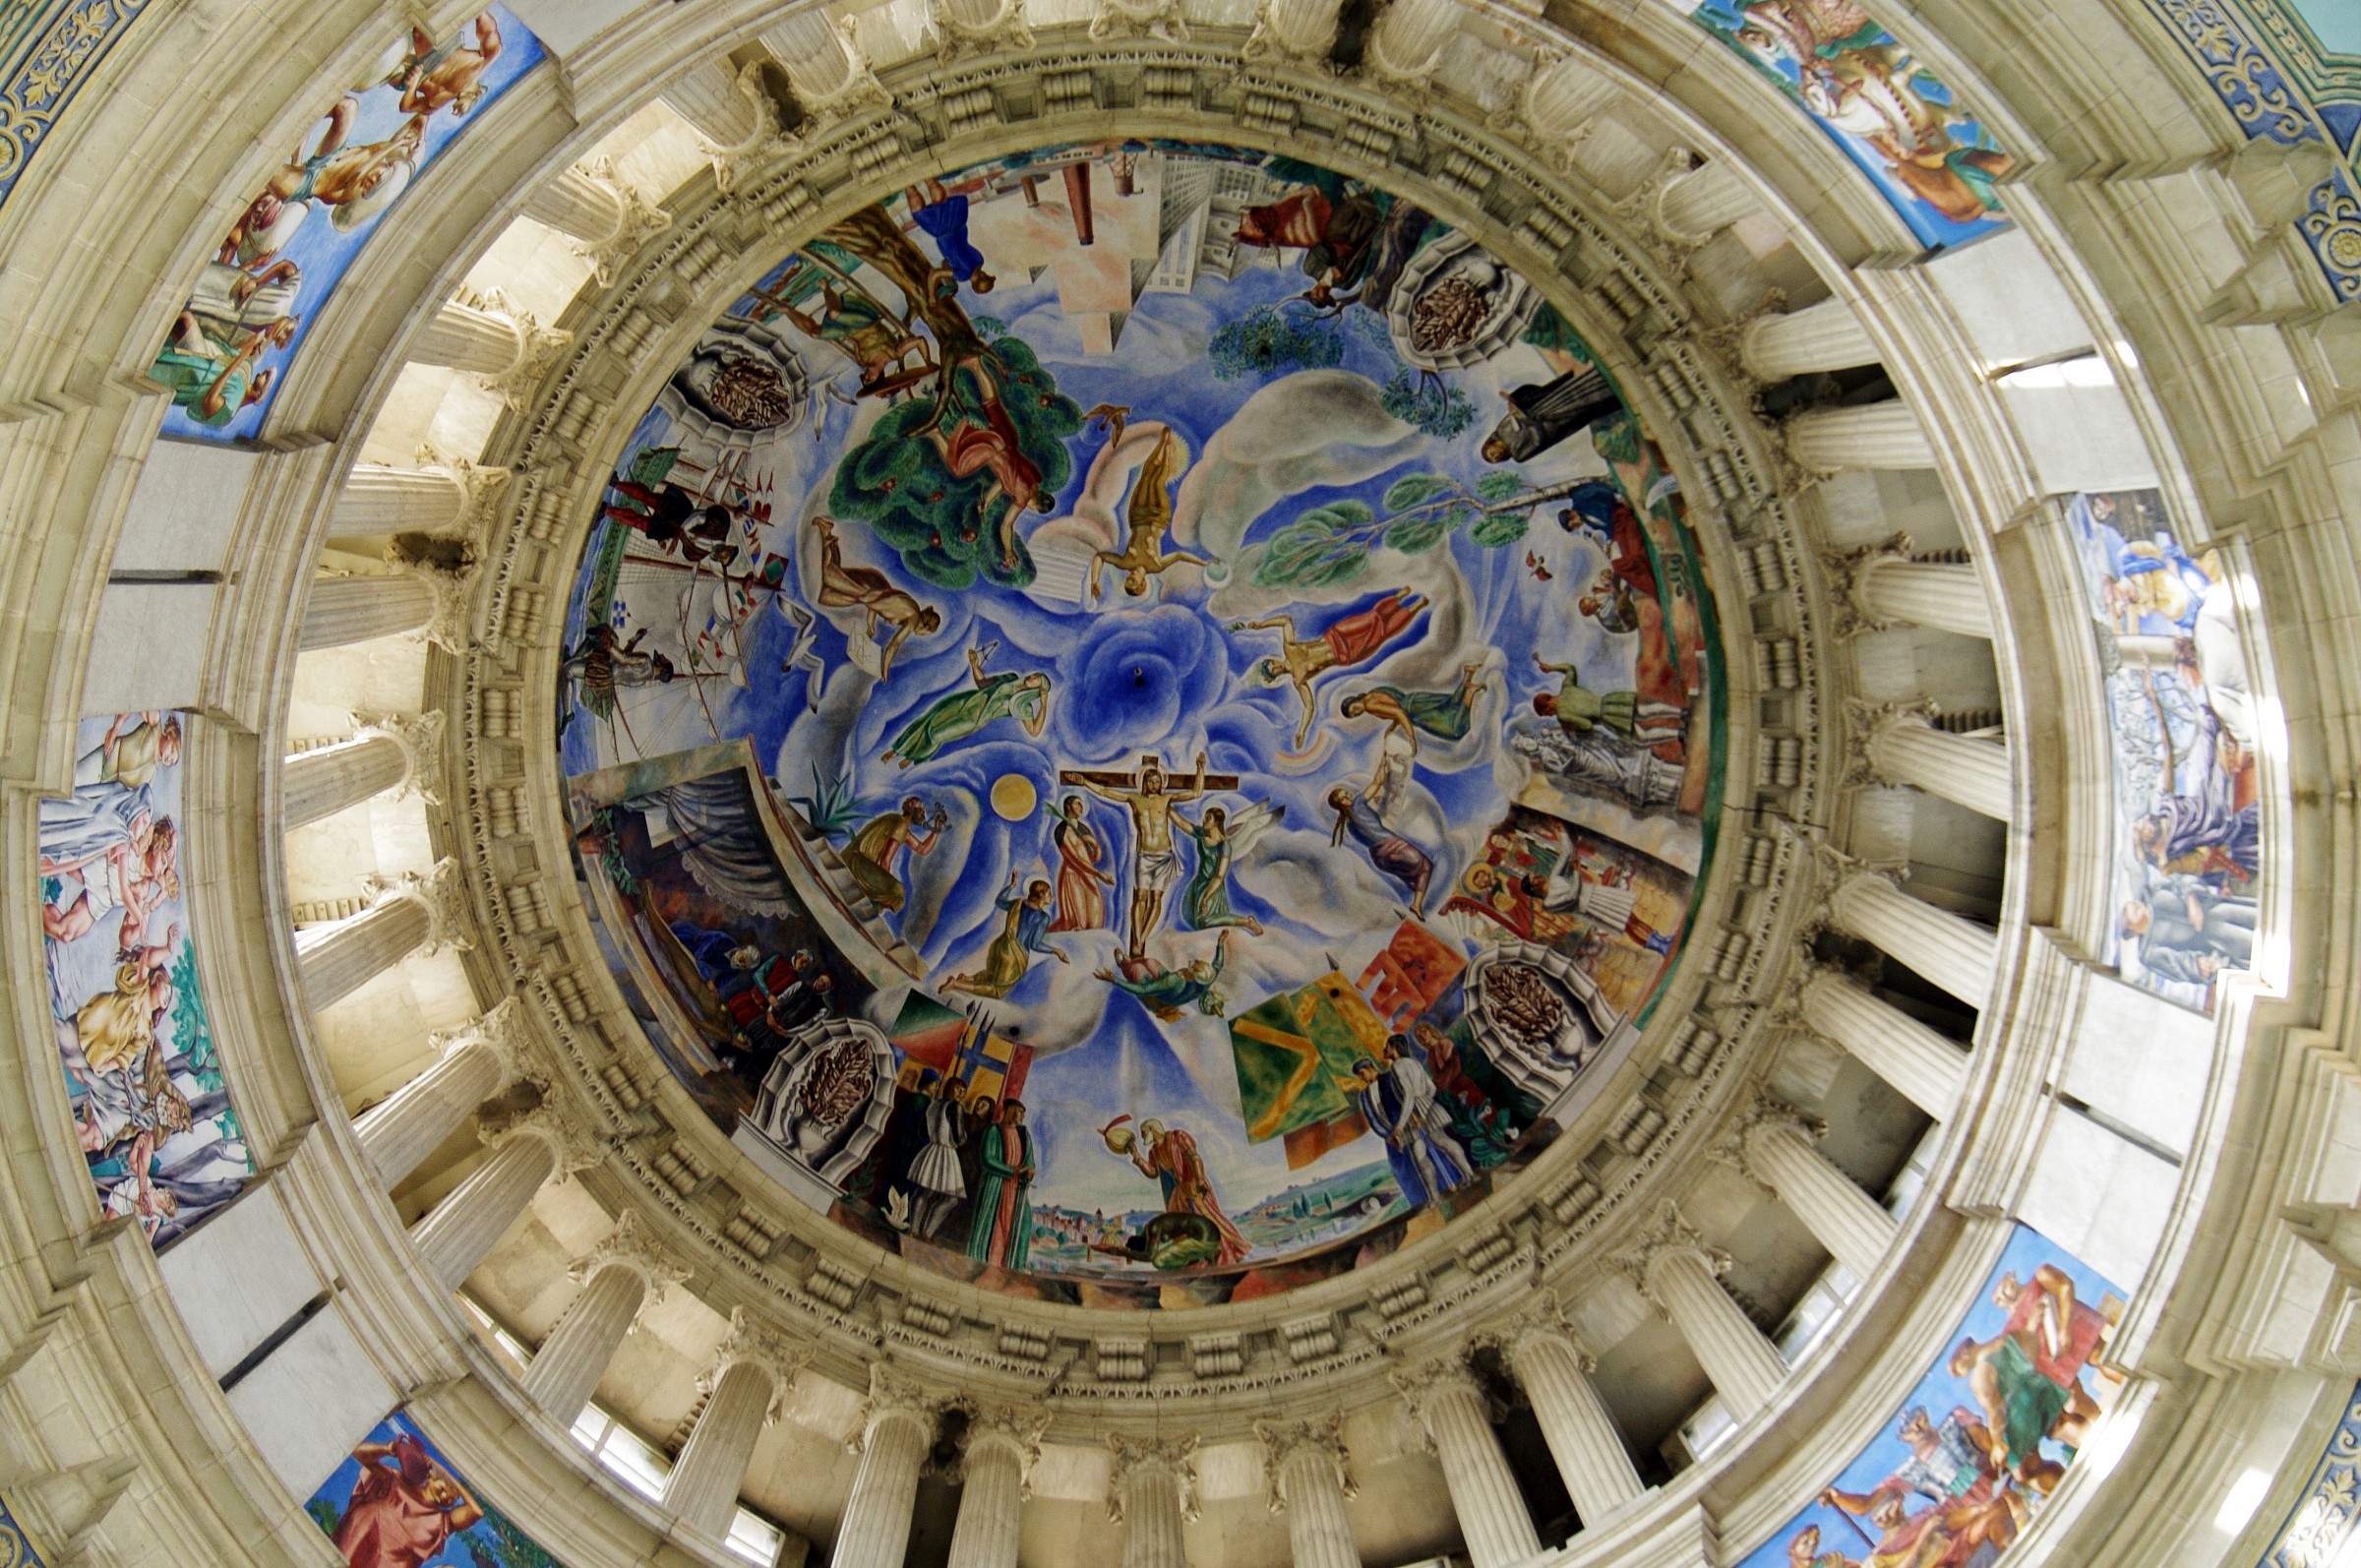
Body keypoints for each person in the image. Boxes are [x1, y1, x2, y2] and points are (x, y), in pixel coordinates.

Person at [1234, 591, 1430, 748]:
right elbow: (1309, 707)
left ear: (1272, 659)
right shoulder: (1299, 679)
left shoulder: (1289, 648)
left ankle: (1398, 597)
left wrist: (1261, 625)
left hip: (1337, 635)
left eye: (1271, 664)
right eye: (1273, 671)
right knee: (1382, 634)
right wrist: (1302, 730)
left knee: (1372, 618)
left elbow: (1286, 620)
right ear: (1275, 678)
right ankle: (1416, 607)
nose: (1276, 667)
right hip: (1347, 655)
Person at [1068, 754, 1208, 960]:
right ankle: (1138, 940)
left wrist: (1201, 768)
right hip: (1144, 854)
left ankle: (1141, 937)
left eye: (1157, 781)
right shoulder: (1134, 799)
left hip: (1163, 855)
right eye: (1150, 781)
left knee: (1156, 897)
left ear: (1162, 782)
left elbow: (1196, 792)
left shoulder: (1167, 799)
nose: (1154, 784)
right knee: (1140, 896)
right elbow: (1106, 791)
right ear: (1144, 782)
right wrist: (1085, 782)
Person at [329, 1429, 486, 1568]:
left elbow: (476, 1512)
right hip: (364, 1535)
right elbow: (358, 1454)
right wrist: (387, 1449)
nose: (444, 1496)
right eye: (443, 1488)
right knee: (367, 1513)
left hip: (394, 1564)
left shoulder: (441, 1520)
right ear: (431, 1477)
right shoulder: (398, 1481)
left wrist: (445, 1471)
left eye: (451, 1499)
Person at [811, 514, 942, 679]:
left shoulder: (913, 608)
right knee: (830, 576)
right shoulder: (913, 619)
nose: (922, 636)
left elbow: (879, 604)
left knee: (826, 596)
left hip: (869, 591)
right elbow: (894, 644)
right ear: (925, 627)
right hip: (866, 589)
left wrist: (871, 625)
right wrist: (885, 670)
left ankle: (829, 535)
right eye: (927, 633)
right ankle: (825, 531)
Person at [883, 642, 1052, 766]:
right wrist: (975, 665)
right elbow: (983, 684)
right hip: (967, 700)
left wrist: (1043, 705)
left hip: (975, 718)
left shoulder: (1023, 706)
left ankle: (913, 755)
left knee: (937, 734)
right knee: (931, 717)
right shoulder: (1011, 677)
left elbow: (1034, 732)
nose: (1033, 676)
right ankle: (898, 749)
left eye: (1038, 679)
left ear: (1038, 690)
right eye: (1035, 674)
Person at [1090, 428, 1211, 598]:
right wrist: (1203, 562)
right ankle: (1167, 445)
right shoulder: (1156, 566)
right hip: (1158, 518)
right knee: (1158, 481)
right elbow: (1179, 556)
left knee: (1146, 476)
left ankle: (1163, 442)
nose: (1130, 578)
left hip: (1137, 516)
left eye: (1127, 580)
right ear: (1143, 583)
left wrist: (1094, 580)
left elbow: (1099, 557)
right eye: (1133, 582)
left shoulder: (1125, 562)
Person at [1350, 1045, 1474, 1207]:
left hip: (1416, 1117)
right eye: (1359, 1076)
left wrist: (1417, 1113)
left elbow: (1408, 1095)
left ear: (1369, 1067)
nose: (1362, 1078)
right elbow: (1374, 1119)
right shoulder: (1364, 1096)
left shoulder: (1390, 1076)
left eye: (1362, 1073)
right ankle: (1434, 1197)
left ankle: (1468, 1174)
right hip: (1402, 1128)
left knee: (1442, 1141)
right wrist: (1389, 1135)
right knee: (1419, 1158)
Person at [1122, 1116, 1248, 1265]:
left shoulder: (1178, 1137)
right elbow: (1153, 1173)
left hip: (1194, 1187)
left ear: (1151, 1129)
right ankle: (1194, 1260)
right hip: (1177, 1195)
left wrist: (1200, 1180)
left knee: (1209, 1219)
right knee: (1181, 1230)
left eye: (1143, 1132)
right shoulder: (1154, 1151)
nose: (1142, 1136)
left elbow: (1194, 1157)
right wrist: (1137, 1157)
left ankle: (1227, 1255)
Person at [151, 312, 295, 428]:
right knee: (184, 321)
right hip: (203, 357)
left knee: (184, 323)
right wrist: (247, 348)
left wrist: (239, 359)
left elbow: (208, 402)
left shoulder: (229, 411)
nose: (264, 372)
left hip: (191, 378)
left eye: (266, 378)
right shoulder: (247, 371)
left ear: (258, 395)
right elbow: (231, 351)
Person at [1328, 763, 1434, 916]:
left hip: (1379, 859)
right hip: (1391, 846)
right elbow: (1377, 782)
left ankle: (1416, 906)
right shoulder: (1357, 804)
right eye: (1344, 797)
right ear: (1341, 804)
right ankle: (1417, 905)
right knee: (1425, 866)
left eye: (1347, 793)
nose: (1349, 796)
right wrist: (1384, 762)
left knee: (1413, 878)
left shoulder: (1349, 825)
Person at [942, 874, 1068, 998]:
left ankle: (966, 978)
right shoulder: (1043, 918)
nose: (1051, 897)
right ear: (1041, 895)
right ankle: (956, 984)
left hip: (1000, 945)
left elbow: (999, 901)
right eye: (1049, 893)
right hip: (1014, 956)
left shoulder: (1017, 903)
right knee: (998, 991)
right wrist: (1056, 951)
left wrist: (1011, 886)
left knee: (992, 974)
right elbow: (1034, 944)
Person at [2121, 876, 2257, 988]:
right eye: (2131, 912)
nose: (2134, 905)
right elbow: (2176, 965)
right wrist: (2197, 964)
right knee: (2256, 949)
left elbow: (2180, 880)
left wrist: (2191, 897)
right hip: (2220, 944)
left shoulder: (2153, 890)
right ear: (2132, 929)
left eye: (2133, 904)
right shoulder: (2148, 953)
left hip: (2222, 910)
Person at [1532, 652, 1686, 748]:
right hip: (1610, 701)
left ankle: (1678, 734)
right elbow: (1570, 669)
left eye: (1546, 714)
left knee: (1641, 738)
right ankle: (1681, 712)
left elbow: (1587, 725)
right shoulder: (1567, 689)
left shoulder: (1562, 715)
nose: (1549, 716)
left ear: (1546, 707)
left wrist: (1571, 728)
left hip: (1608, 717)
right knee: (1643, 712)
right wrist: (1551, 668)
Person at [1480, 365, 1621, 463]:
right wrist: (1529, 423)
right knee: (1582, 405)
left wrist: (1512, 401)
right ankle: (1611, 392)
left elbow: (1518, 411)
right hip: (1551, 422)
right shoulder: (1518, 455)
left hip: (1544, 406)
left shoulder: (1502, 429)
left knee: (1572, 391)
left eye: (1492, 454)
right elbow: (1538, 441)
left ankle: (1598, 378)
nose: (1496, 457)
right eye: (1495, 460)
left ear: (1491, 445)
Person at [1177, 802, 1280, 935]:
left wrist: (1206, 897)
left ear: (1217, 823)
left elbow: (1219, 876)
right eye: (1205, 817)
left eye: (1208, 818)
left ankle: (1246, 922)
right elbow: (1181, 822)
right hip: (1198, 884)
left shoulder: (1223, 846)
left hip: (1213, 886)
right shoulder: (1202, 834)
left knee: (1206, 921)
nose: (1203, 820)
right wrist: (1165, 807)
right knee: (1190, 916)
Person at [1339, 664, 1488, 753]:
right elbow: (1395, 705)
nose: (1357, 712)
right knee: (1449, 705)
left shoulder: (1370, 705)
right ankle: (1469, 673)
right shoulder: (1371, 695)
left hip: (1415, 712)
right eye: (1355, 715)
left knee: (1453, 730)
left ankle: (1469, 691)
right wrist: (1392, 726)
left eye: (1354, 709)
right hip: (1414, 700)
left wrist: (1411, 737)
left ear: (1354, 700)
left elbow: (1399, 711)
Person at [842, 796, 945, 915]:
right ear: (912, 811)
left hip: (857, 860)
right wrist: (885, 886)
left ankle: (874, 901)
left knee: (895, 890)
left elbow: (922, 849)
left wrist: (937, 829)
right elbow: (886, 861)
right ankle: (875, 904)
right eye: (921, 810)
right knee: (897, 891)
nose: (924, 814)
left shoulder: (901, 826)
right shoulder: (900, 824)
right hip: (856, 862)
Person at [388, 12, 504, 118]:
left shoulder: (436, 103)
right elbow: (489, 34)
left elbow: (406, 107)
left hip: (414, 73)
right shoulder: (480, 65)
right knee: (422, 32)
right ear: (477, 94)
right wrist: (478, 11)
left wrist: (412, 86)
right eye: (464, 111)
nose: (459, 111)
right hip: (443, 46)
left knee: (396, 79)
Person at [1099, 931, 1233, 1022]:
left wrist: (1114, 980)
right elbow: (1218, 964)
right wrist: (1220, 943)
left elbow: (1144, 990)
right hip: (1166, 984)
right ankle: (1133, 962)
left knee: (1137, 970)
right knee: (1149, 962)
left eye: (1196, 965)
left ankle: (1124, 964)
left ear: (1193, 975)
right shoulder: (1207, 980)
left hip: (1156, 997)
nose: (1197, 960)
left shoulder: (1175, 980)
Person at [966, 1099, 1035, 1268]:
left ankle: (1013, 1267)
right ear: (1011, 1111)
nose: (1023, 1116)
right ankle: (985, 1265)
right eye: (1019, 1112)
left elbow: (1030, 1161)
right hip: (996, 1187)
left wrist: (1030, 1170)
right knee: (994, 1229)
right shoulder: (993, 1131)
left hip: (1016, 1190)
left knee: (1021, 1224)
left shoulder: (1024, 1136)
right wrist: (1012, 1171)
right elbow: (987, 1160)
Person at [903, 1070, 968, 1238]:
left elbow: (922, 1131)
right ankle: (925, 1233)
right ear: (949, 1089)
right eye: (958, 1089)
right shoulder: (956, 1107)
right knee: (950, 1199)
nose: (961, 1094)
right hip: (946, 1154)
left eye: (963, 1091)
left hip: (931, 1151)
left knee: (923, 1193)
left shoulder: (933, 1104)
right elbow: (960, 1139)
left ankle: (914, 1230)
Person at [905, 177, 997, 293]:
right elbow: (935, 274)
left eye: (984, 277)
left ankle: (922, 177)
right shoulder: (964, 275)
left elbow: (951, 258)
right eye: (986, 276)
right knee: (919, 212)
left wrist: (949, 278)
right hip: (944, 232)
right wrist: (932, 297)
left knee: (940, 201)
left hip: (959, 226)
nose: (984, 274)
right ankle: (907, 182)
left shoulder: (979, 261)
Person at [1049, 796, 1114, 933]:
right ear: (1068, 806)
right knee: (1078, 924)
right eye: (1077, 804)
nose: (1081, 807)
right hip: (1073, 878)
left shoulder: (1084, 829)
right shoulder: (1062, 831)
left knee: (1095, 923)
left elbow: (1095, 858)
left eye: (1082, 804)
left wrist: (1094, 844)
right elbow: (1076, 859)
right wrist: (1098, 874)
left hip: (1089, 878)